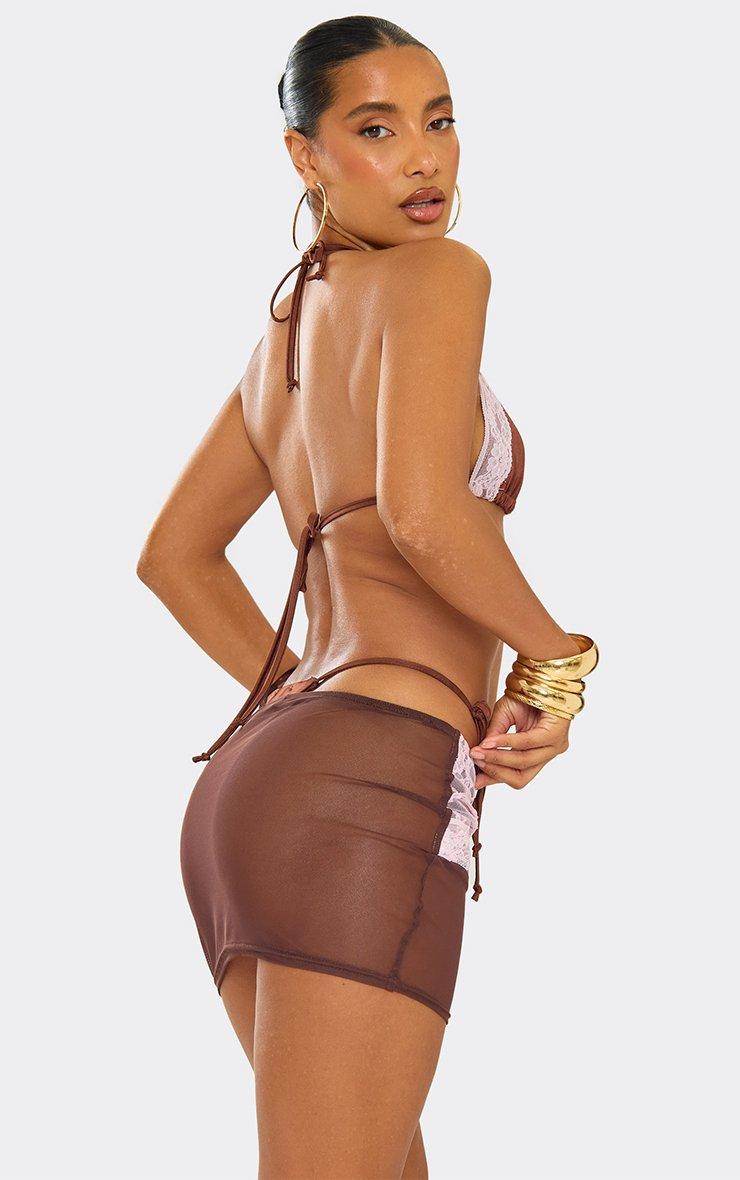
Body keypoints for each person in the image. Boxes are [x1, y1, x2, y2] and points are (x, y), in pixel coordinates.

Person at [137, 16, 598, 1179]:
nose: (425, 158)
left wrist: (304, 695)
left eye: (438, 121)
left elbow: (175, 557)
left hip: (260, 793)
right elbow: (424, 516)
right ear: (304, 155)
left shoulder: (287, 335)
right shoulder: (440, 275)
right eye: (377, 129)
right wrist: (557, 662)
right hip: (366, 784)